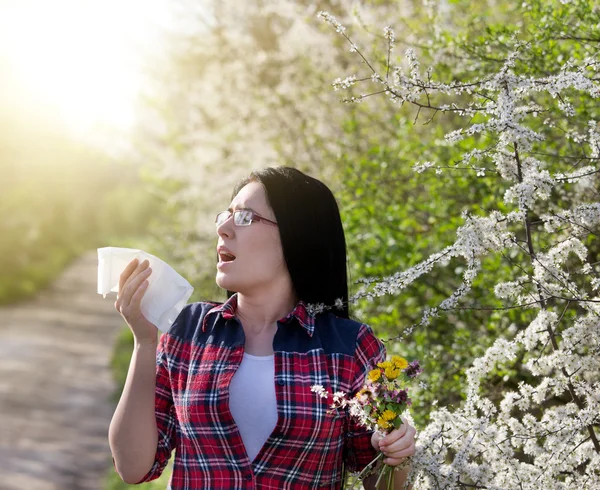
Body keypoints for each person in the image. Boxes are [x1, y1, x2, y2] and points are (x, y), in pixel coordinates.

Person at [108, 166, 416, 489]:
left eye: (244, 218)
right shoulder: (190, 331)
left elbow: (381, 483)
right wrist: (144, 341)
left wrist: (396, 450)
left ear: (296, 236)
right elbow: (133, 467)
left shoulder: (350, 348)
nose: (223, 229)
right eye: (224, 216)